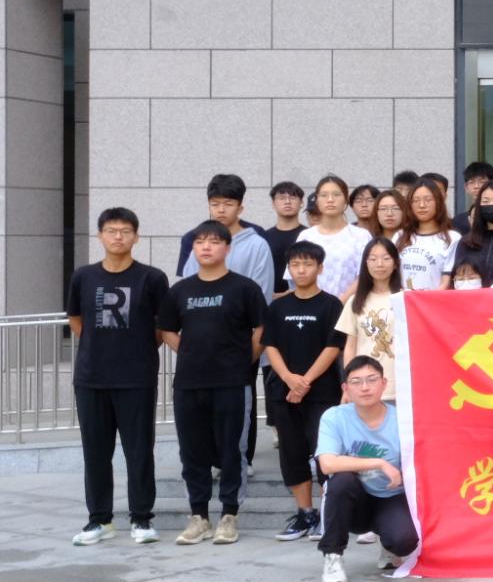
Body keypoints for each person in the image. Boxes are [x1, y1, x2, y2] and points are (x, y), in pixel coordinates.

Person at [67, 208, 171, 546]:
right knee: (95, 452)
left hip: (136, 377)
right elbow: (76, 318)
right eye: (111, 230)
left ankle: (141, 518)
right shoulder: (83, 276)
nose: (118, 237)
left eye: (125, 231)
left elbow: (162, 325)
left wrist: (137, 347)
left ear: (136, 237)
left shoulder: (152, 278)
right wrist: (97, 345)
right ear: (99, 235)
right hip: (91, 378)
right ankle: (99, 520)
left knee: (139, 451)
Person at [159, 220, 267, 546]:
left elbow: (261, 329)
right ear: (193, 248)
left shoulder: (244, 288)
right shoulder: (180, 291)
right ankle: (199, 517)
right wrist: (190, 351)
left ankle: (229, 515)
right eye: (200, 242)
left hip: (232, 382)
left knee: (231, 450)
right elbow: (167, 329)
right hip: (188, 383)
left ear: (227, 248)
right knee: (192, 451)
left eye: (214, 241)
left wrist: (242, 359)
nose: (206, 247)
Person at [265, 241, 345, 542]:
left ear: (320, 268)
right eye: (296, 265)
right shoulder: (278, 306)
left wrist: (305, 381)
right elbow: (270, 345)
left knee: (324, 451)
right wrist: (289, 378)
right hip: (283, 392)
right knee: (291, 452)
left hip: (322, 392)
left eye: (308, 264)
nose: (301, 270)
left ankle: (327, 513)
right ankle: (305, 513)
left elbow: (333, 347)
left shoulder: (331, 304)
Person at [315, 356, 414, 582]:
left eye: (372, 380)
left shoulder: (402, 419)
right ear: (345, 388)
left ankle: (388, 544)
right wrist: (379, 463)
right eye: (356, 382)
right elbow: (327, 464)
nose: (365, 387)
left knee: (404, 540)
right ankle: (332, 557)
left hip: (391, 496)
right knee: (340, 481)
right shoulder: (334, 416)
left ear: (384, 383)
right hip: (354, 501)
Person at [181, 174, 276, 295]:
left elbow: (262, 293)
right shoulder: (197, 242)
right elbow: (187, 289)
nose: (221, 210)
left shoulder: (257, 245)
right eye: (215, 204)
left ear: (240, 208)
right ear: (209, 207)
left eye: (228, 204)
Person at [338, 238, 403, 398]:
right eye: (373, 259)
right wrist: (348, 385)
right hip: (364, 387)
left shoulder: (406, 298)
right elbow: (350, 347)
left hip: (400, 385)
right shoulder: (355, 301)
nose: (379, 264)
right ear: (365, 264)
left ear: (395, 263)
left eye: (386, 258)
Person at [298, 176, 372, 299]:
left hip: (350, 305)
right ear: (317, 200)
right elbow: (296, 276)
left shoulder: (361, 236)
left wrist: (340, 303)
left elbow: (364, 276)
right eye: (324, 195)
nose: (330, 200)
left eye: (336, 195)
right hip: (311, 305)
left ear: (346, 200)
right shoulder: (306, 236)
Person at [397, 179, 461, 291]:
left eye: (428, 200)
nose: (422, 205)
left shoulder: (452, 238)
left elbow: (446, 279)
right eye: (416, 200)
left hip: (435, 300)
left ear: (438, 202)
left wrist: (427, 299)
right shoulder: (400, 236)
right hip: (404, 299)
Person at [261, 181, 307, 294]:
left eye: (292, 197)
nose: (287, 202)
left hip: (304, 296)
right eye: (282, 198)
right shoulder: (263, 237)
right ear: (273, 203)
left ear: (301, 202)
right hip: (270, 298)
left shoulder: (309, 235)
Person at [451, 160, 493, 234]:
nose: (476, 186)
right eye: (471, 182)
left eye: (481, 182)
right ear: (466, 188)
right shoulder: (458, 221)